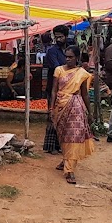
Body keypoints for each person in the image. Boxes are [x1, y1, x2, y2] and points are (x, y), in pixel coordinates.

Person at [51, 46, 96, 185]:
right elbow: (53, 91)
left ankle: (70, 170)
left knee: (74, 135)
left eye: (71, 57)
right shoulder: (58, 70)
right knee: (63, 134)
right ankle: (66, 158)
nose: (68, 59)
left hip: (76, 106)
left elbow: (85, 94)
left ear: (77, 58)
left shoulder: (82, 73)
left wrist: (90, 112)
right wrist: (51, 108)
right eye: (66, 56)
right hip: (60, 105)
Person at [41, 26, 71, 154]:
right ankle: (51, 145)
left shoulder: (70, 49)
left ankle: (60, 144)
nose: (58, 39)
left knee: (64, 117)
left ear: (66, 36)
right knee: (53, 114)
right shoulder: (52, 51)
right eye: (56, 37)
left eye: (61, 37)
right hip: (54, 87)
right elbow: (57, 68)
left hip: (68, 88)